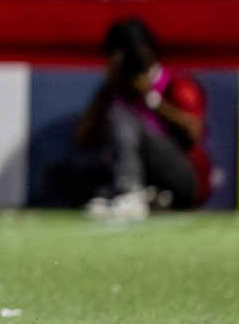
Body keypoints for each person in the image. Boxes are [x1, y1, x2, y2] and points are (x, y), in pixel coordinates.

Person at [41, 18, 210, 218]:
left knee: (121, 116)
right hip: (128, 167)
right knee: (59, 173)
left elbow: (194, 135)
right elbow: (81, 140)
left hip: (177, 173)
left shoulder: (174, 84)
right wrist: (106, 88)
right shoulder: (113, 91)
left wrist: (150, 99)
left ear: (150, 51)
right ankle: (142, 196)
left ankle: (128, 191)